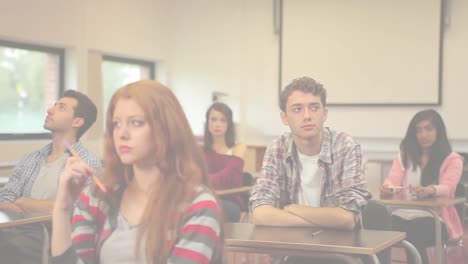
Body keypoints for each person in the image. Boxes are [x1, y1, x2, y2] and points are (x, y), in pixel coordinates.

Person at [51, 80, 223, 263]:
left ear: (166, 128)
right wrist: (62, 208)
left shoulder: (197, 203)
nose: (122, 134)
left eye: (136, 123)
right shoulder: (97, 196)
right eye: (116, 124)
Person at [249, 76, 370, 263]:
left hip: (341, 251)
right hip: (292, 248)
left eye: (314, 107)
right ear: (284, 117)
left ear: (324, 113)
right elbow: (259, 213)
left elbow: (347, 218)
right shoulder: (277, 149)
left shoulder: (346, 146)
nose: (307, 115)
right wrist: (322, 220)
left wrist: (294, 210)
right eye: (297, 109)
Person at [0, 90, 101, 264]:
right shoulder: (31, 158)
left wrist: (25, 203)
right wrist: (42, 207)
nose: (50, 110)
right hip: (13, 231)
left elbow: (77, 212)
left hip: (50, 239)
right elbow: (5, 199)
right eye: (54, 105)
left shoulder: (88, 164)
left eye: (60, 107)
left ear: (77, 121)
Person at [381, 109, 463, 264]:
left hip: (435, 218)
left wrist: (432, 190)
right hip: (402, 214)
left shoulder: (452, 159)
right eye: (418, 130)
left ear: (439, 131)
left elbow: (449, 187)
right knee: (377, 225)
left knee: (413, 232)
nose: (423, 135)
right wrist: (387, 187)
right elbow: (392, 180)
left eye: (429, 129)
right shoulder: (405, 156)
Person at [203, 102, 247, 222]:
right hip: (205, 197)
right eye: (213, 119)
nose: (217, 124)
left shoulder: (238, 147)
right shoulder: (201, 150)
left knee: (204, 207)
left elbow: (228, 179)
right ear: (207, 122)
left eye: (223, 120)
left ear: (229, 124)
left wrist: (205, 181)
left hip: (230, 200)